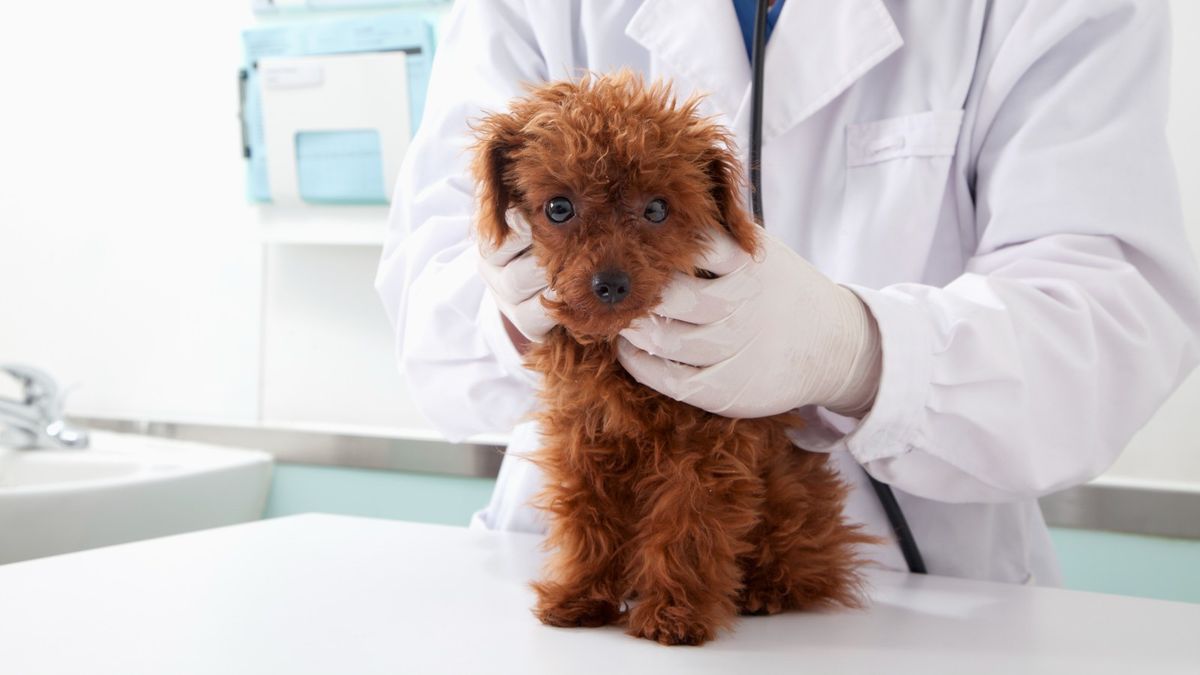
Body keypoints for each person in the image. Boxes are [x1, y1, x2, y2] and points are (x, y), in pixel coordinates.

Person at [376, 0, 1200, 585]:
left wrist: (859, 351)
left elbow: (1109, 311)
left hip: (919, 595)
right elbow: (427, 289)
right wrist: (516, 303)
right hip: (587, 567)